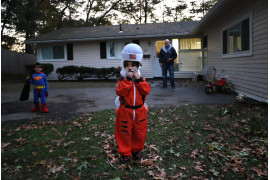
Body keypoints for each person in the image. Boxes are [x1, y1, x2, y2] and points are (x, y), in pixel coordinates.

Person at [115, 43, 151, 165]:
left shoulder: (142, 80)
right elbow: (120, 91)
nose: (131, 68)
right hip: (126, 111)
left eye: (134, 65)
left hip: (140, 111)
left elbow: (146, 90)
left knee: (139, 132)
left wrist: (139, 80)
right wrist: (128, 80)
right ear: (124, 65)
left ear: (138, 65)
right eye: (128, 65)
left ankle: (136, 151)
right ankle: (125, 153)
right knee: (124, 132)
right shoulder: (122, 81)